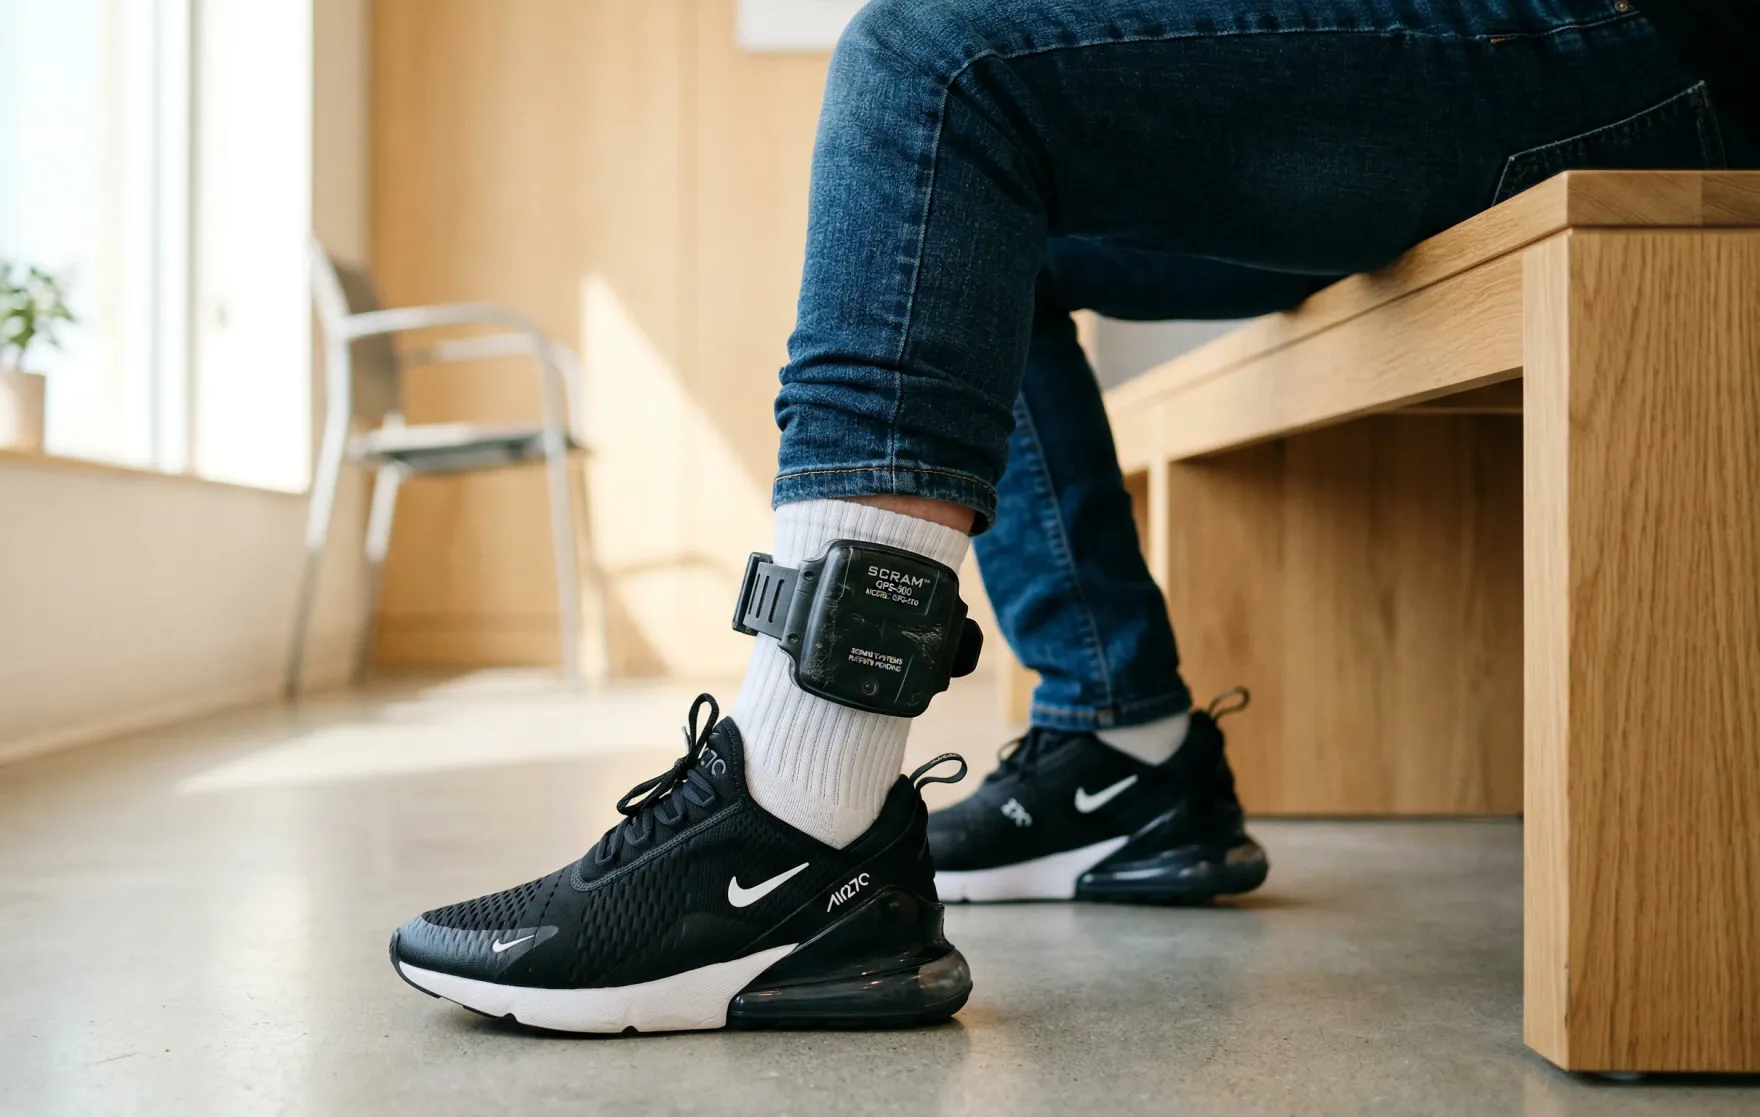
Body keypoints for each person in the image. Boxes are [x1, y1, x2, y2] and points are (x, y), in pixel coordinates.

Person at [387, 0, 1760, 1033]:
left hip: (1645, 46)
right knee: (975, 217)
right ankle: (1125, 743)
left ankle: (793, 822)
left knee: (933, 65)